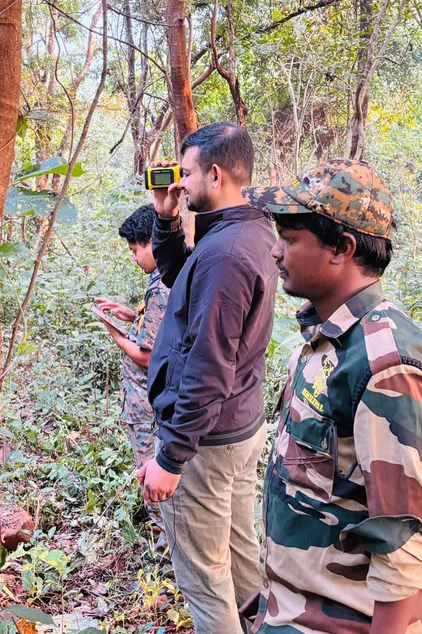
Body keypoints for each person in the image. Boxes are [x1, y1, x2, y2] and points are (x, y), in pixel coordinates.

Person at [242, 159, 422, 634]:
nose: (276, 252)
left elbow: (404, 562)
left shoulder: (388, 365)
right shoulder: (329, 340)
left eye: (291, 239)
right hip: (292, 610)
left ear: (342, 248)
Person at [137, 122, 279, 634]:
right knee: (241, 554)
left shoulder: (226, 252)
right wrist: (166, 217)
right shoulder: (248, 230)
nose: (180, 182)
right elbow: (181, 277)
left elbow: (208, 364)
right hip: (239, 426)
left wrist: (172, 455)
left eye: (189, 172)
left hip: (207, 441)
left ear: (215, 174)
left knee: (204, 575)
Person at [94, 204, 170, 532]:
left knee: (154, 485)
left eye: (135, 249)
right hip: (151, 406)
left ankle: (164, 562)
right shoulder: (165, 275)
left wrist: (113, 332)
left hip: (149, 411)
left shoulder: (162, 285)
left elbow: (147, 355)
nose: (134, 257)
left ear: (152, 241)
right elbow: (160, 329)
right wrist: (129, 314)